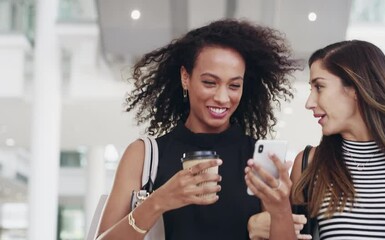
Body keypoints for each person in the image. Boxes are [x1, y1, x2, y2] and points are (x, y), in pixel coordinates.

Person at [95, 19, 304, 240]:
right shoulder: (144, 155)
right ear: (186, 77)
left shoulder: (258, 159)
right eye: (209, 82)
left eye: (234, 85)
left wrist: (280, 210)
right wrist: (158, 201)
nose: (223, 98)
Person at [245, 40, 385, 239]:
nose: (309, 102)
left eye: (319, 87)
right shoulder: (309, 164)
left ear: (355, 87)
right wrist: (278, 209)